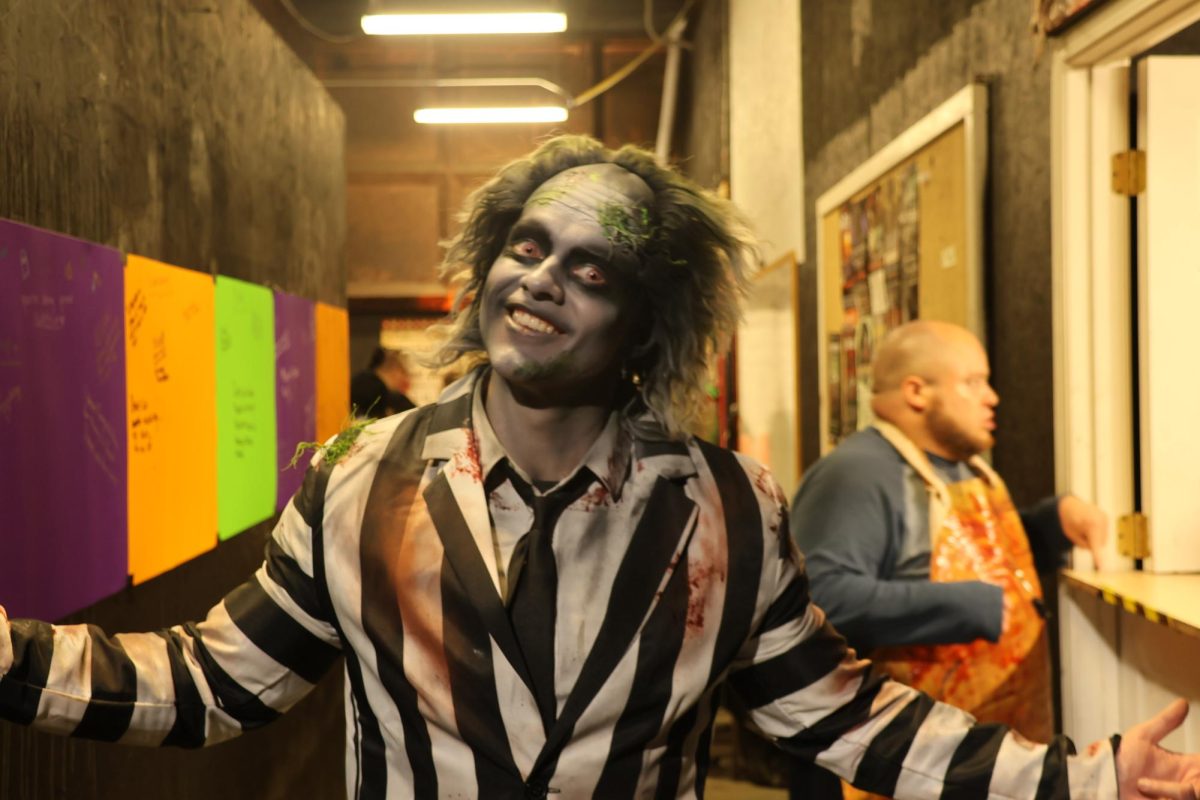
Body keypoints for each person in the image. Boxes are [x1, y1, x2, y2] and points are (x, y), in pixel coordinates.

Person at [1, 136, 1197, 800]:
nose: (541, 278)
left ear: (645, 327)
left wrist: (1087, 780)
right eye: (528, 246)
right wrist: (7, 654)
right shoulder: (359, 480)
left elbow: (839, 718)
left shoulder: (722, 508)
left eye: (590, 269)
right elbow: (214, 684)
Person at [789, 319, 1109, 799]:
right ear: (916, 392)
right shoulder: (857, 474)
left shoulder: (967, 470)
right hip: (900, 769)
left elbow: (985, 557)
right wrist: (971, 607)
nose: (991, 397)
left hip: (981, 763)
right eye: (973, 382)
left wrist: (1052, 523)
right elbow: (820, 600)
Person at [349, 345, 415, 417]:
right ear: (395, 369)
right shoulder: (373, 388)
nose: (406, 378)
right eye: (403, 372)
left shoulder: (363, 381)